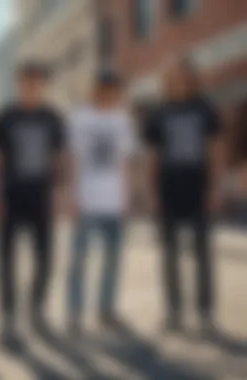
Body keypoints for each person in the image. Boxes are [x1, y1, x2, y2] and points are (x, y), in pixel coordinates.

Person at [0, 62, 67, 347]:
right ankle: (8, 316)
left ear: (43, 84)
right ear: (18, 82)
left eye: (36, 81)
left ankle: (37, 311)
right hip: (10, 197)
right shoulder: (5, 117)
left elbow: (59, 160)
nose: (31, 85)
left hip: (41, 197)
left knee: (44, 257)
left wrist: (60, 192)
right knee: (6, 259)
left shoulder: (53, 117)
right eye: (26, 81)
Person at [144, 57, 224, 334]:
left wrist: (215, 188)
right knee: (170, 254)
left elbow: (215, 151)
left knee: (202, 254)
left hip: (199, 189)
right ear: (167, 81)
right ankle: (174, 311)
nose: (178, 81)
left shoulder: (205, 109)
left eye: (183, 76)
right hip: (168, 190)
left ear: (191, 78)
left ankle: (205, 314)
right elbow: (153, 157)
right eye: (173, 77)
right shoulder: (159, 112)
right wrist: (152, 191)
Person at [67, 71, 136, 335]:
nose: (108, 94)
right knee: (80, 261)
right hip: (86, 201)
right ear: (95, 89)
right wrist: (71, 196)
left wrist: (127, 196)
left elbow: (125, 160)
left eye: (113, 90)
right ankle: (74, 313)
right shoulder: (80, 117)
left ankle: (106, 310)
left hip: (115, 201)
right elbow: (73, 159)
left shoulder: (122, 119)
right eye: (104, 89)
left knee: (112, 261)